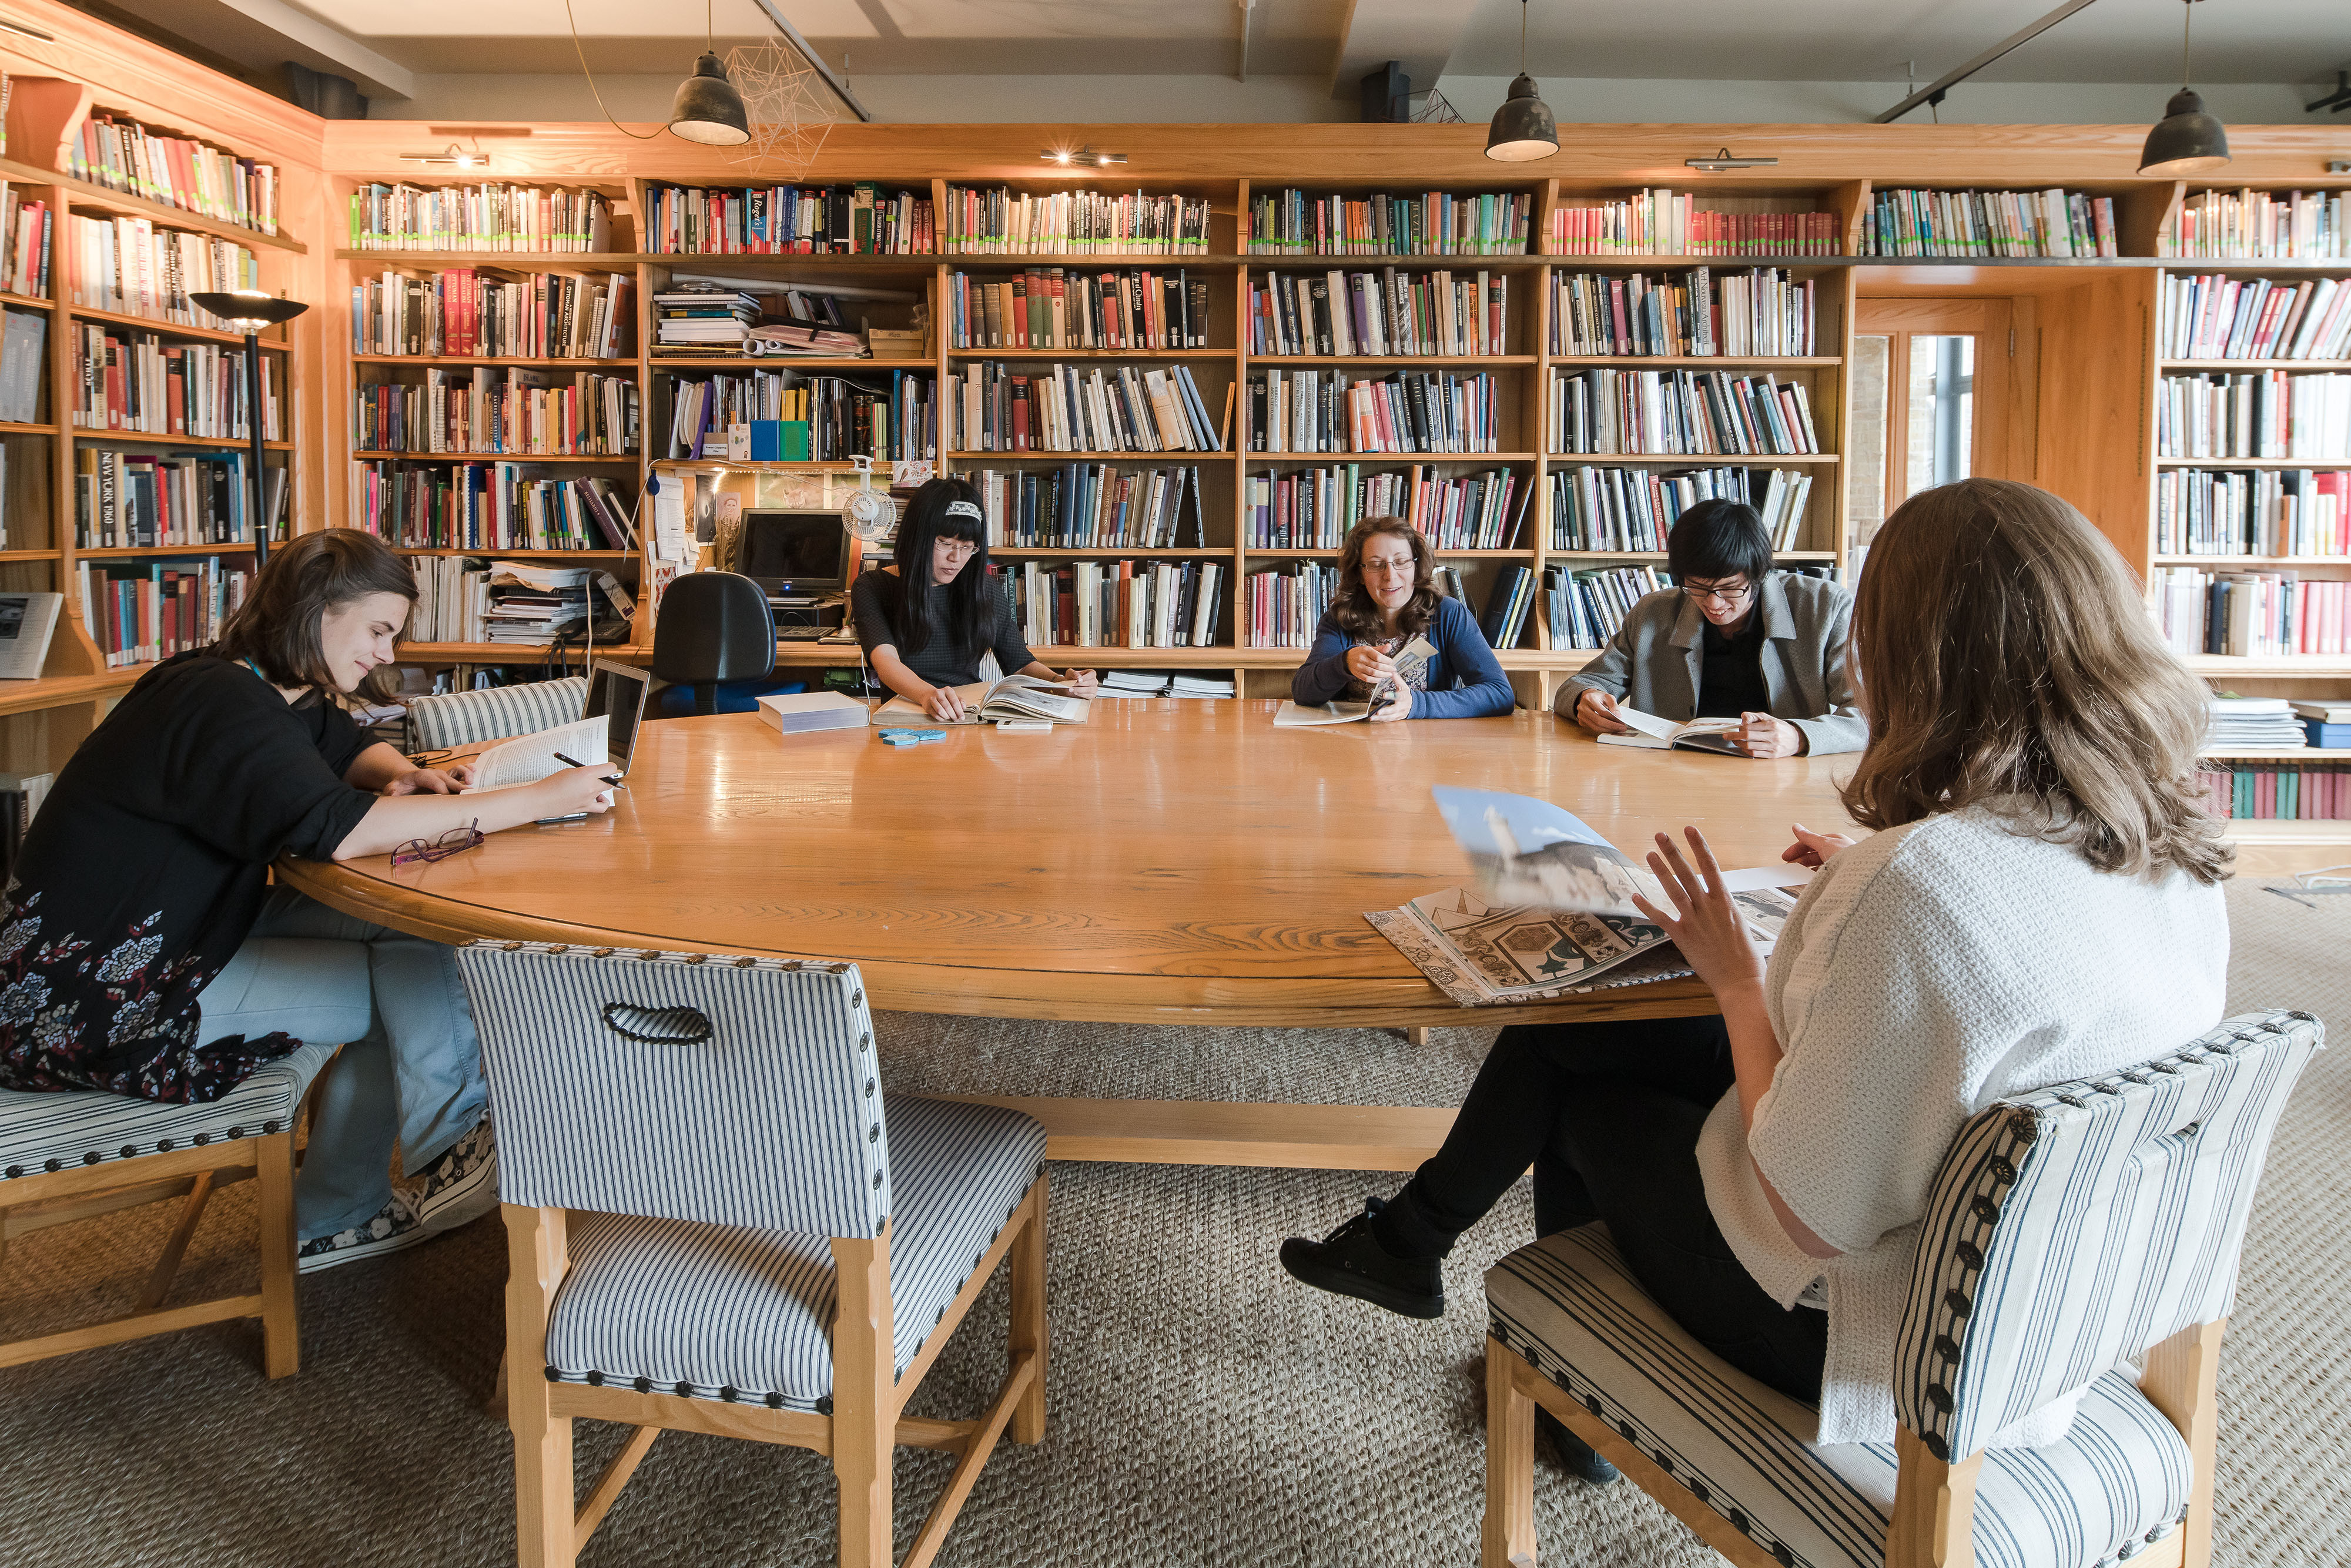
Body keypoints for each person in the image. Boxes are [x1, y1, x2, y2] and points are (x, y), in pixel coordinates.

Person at [1281, 477, 2232, 1473]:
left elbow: (1799, 1213)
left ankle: (1570, 1397)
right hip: (2049, 1303)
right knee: (1589, 1029)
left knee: (1580, 1085)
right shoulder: (2174, 852)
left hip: (1866, 1338)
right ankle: (1412, 1244)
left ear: (1916, 658)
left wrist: (1736, 976)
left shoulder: (1915, 887)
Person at [0, 530, 616, 1271]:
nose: (388, 654)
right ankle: (375, 1190)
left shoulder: (252, 681)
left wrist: (403, 773)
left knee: (414, 934)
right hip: (97, 996)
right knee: (407, 985)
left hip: (176, 937)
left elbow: (338, 741)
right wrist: (535, 798)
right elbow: (338, 831)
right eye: (379, 630)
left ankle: (428, 1155)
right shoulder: (219, 702)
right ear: (317, 609)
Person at [1558, 498, 1863, 756]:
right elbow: (1583, 683)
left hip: (1780, 776)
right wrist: (1585, 699)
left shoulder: (1826, 608)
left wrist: (1799, 736)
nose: (1714, 604)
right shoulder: (1654, 611)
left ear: (1758, 574)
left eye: (1731, 589)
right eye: (1697, 587)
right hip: (1671, 773)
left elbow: (1869, 717)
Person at [850, 476, 1097, 721]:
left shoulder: (985, 590)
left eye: (968, 546)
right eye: (944, 543)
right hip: (904, 718)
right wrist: (928, 696)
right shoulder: (873, 586)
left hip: (967, 715)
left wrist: (1061, 683)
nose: (956, 558)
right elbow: (886, 661)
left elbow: (1020, 664)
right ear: (917, 538)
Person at [1290, 517, 1514, 721]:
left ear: (1416, 566)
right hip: (1352, 747)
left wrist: (1416, 705)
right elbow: (1303, 693)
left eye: (1402, 561)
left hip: (1428, 748)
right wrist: (1343, 664)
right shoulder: (1339, 619)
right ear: (1360, 574)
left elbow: (1499, 694)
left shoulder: (1448, 614)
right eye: (1376, 565)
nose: (1390, 575)